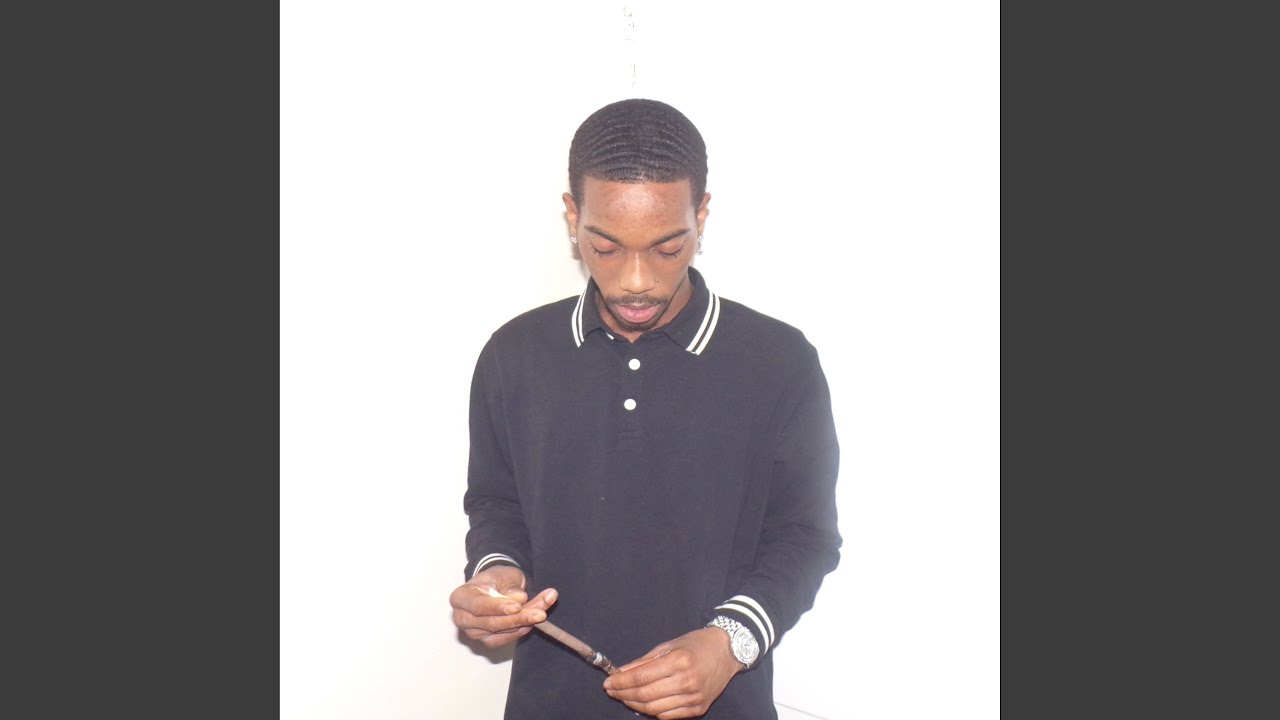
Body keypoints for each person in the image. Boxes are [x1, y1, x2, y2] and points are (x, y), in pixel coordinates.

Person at [449, 98, 842, 719]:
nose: (636, 279)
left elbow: (805, 535)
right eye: (606, 247)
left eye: (666, 247)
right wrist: (497, 576)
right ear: (573, 217)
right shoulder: (514, 354)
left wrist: (729, 644)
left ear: (701, 217)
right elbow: (496, 502)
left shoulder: (779, 360)